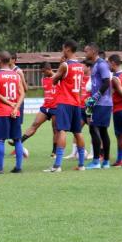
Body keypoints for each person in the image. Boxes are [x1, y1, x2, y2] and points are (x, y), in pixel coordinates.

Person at [44, 40, 87, 173]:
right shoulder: (81, 66)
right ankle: (81, 165)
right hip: (76, 103)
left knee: (61, 131)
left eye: (63, 48)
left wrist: (60, 67)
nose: (62, 51)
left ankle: (57, 165)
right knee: (78, 132)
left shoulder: (65, 65)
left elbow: (54, 80)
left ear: (67, 49)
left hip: (64, 102)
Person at [0, 51, 25, 174]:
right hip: (15, 112)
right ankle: (18, 167)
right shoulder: (16, 75)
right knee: (17, 139)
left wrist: (10, 104)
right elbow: (22, 93)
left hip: (2, 111)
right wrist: (16, 107)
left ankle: (0, 168)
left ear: (0, 60)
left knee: (0, 139)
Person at [83, 43, 113, 169]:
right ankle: (105, 162)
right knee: (101, 130)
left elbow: (107, 82)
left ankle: (96, 161)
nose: (85, 53)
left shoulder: (101, 64)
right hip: (99, 102)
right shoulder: (95, 65)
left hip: (102, 103)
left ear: (94, 51)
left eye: (87, 51)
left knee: (94, 128)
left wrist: (96, 96)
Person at [20, 62, 57, 156]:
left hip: (56, 108)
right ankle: (18, 143)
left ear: (49, 69)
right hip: (45, 107)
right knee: (34, 124)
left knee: (55, 130)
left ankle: (54, 151)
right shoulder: (43, 79)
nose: (42, 73)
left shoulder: (58, 78)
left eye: (43, 71)